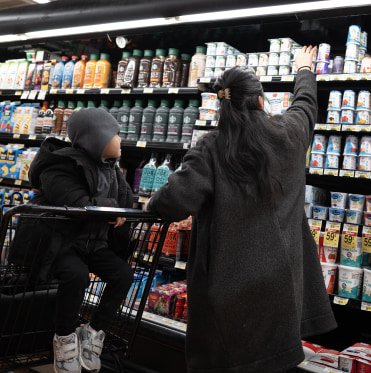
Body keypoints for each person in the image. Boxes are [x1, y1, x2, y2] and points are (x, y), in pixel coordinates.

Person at [146, 46, 337, 372]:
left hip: (226, 298)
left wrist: (151, 202)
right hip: (280, 295)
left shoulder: (211, 147)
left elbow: (172, 203)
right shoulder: (290, 135)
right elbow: (306, 106)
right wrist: (304, 69)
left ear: (222, 103)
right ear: (261, 100)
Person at [27, 108, 134, 373]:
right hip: (60, 243)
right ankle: (64, 337)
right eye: (115, 135)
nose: (121, 140)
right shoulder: (59, 166)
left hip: (94, 243)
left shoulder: (112, 170)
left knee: (123, 275)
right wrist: (113, 209)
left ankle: (93, 331)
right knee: (77, 275)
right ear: (96, 137)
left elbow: (126, 202)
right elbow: (78, 206)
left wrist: (118, 210)